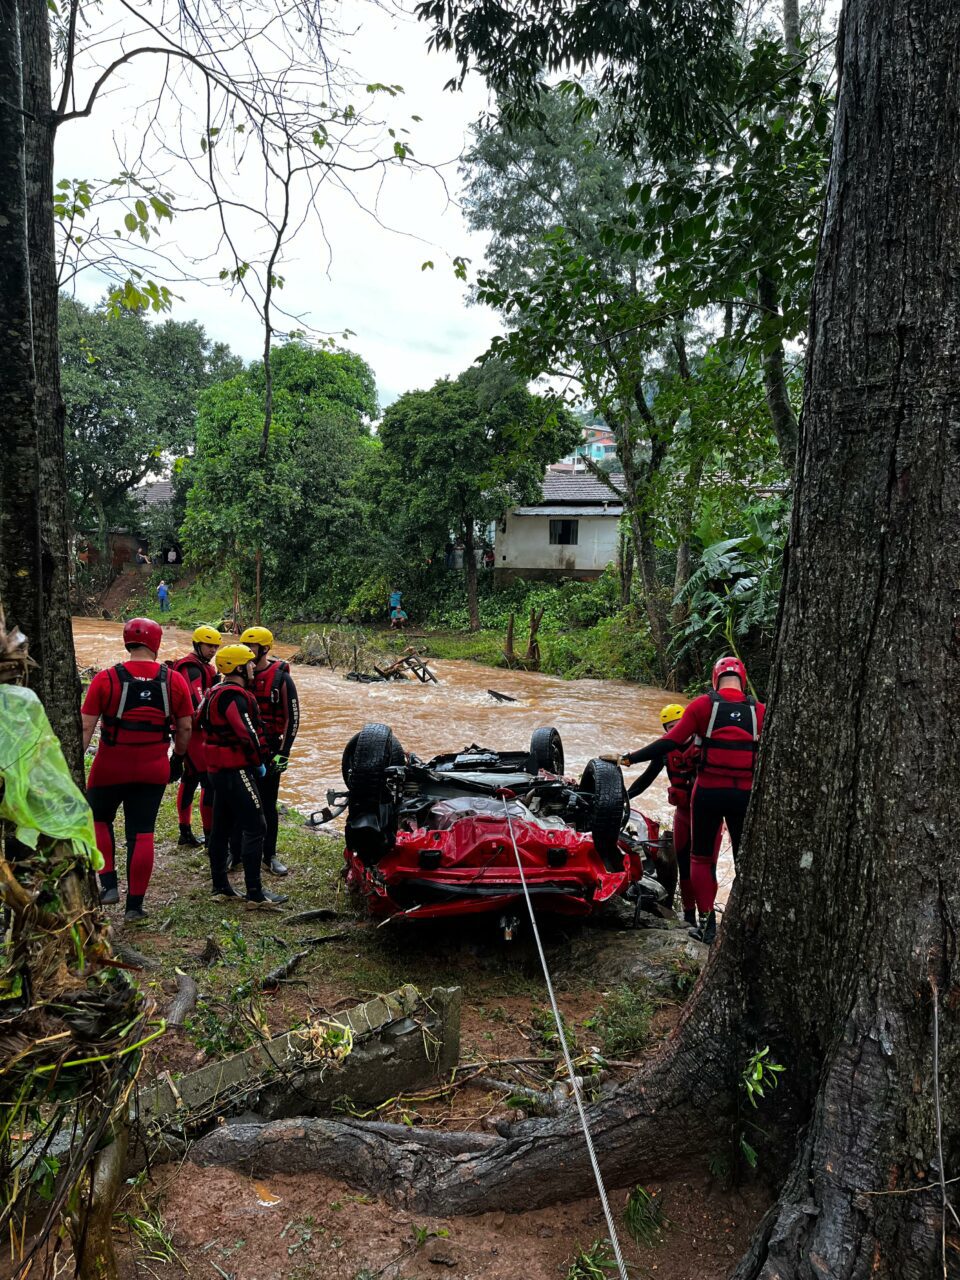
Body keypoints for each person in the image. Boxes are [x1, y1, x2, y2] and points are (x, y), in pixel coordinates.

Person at [620, 656, 765, 944]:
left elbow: (670, 741)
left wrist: (630, 758)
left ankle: (707, 923)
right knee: (744, 861)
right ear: (743, 679)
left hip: (708, 793)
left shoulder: (702, 706)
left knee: (699, 859)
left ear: (715, 679)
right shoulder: (759, 711)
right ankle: (747, 925)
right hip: (744, 796)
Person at [81, 617, 193, 922]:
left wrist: (71, 763)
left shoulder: (105, 679)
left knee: (98, 818)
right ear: (155, 644)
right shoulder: (174, 681)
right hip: (153, 768)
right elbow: (184, 728)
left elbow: (86, 726)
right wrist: (177, 759)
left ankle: (108, 884)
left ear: (127, 641)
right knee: (142, 832)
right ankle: (135, 905)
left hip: (109, 767)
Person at [198, 644, 288, 909]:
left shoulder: (213, 691)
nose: (253, 667)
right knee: (256, 826)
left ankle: (220, 885)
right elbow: (247, 735)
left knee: (222, 826)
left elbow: (196, 720)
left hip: (216, 770)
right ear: (239, 667)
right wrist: (259, 763)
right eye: (249, 664)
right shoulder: (236, 697)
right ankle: (255, 893)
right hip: (235, 770)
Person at [626, 702, 719, 927]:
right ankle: (688, 916)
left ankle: (708, 919)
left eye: (678, 725)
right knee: (685, 867)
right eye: (670, 727)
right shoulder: (666, 751)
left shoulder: (706, 745)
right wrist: (624, 797)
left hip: (707, 815)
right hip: (683, 815)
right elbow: (647, 778)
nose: (676, 730)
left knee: (708, 869)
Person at [237, 626, 300, 877]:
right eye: (244, 647)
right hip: (243, 750)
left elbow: (292, 719)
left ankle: (269, 855)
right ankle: (237, 852)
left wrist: (283, 754)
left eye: (250, 647)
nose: (246, 651)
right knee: (240, 803)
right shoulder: (238, 674)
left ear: (264, 649)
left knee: (268, 805)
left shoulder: (281, 677)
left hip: (271, 749)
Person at [170, 625, 222, 848]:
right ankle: (210, 836)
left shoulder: (201, 666)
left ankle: (186, 832)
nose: (213, 650)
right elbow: (196, 706)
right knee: (207, 783)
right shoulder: (191, 668)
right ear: (197, 645)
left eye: (215, 647)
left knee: (190, 779)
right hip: (192, 732)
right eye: (209, 646)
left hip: (193, 731)